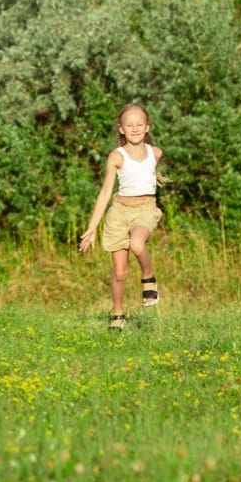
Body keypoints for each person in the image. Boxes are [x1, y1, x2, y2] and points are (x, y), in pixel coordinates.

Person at [79, 103, 163, 331]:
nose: (135, 128)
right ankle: (117, 313)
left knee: (137, 243)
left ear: (147, 127)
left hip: (144, 210)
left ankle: (148, 277)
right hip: (119, 212)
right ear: (121, 129)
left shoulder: (155, 153)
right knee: (119, 272)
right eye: (129, 125)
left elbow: (150, 173)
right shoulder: (116, 156)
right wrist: (92, 227)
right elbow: (106, 192)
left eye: (139, 124)